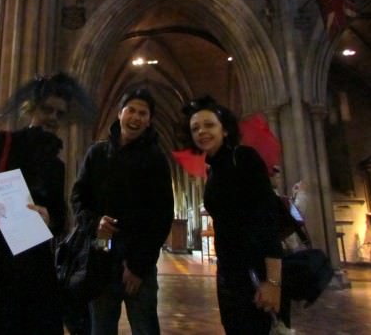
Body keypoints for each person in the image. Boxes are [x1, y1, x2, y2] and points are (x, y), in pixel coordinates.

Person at [0, 73, 95, 335]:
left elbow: (60, 218)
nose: (53, 118)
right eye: (47, 109)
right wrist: (4, 214)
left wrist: (49, 217)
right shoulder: (5, 143)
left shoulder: (57, 165)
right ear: (31, 108)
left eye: (59, 113)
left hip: (35, 267)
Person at [71, 88, 174, 335]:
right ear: (120, 113)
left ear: (149, 120)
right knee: (101, 327)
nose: (136, 117)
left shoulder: (155, 159)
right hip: (100, 260)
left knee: (144, 327)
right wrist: (94, 223)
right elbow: (78, 198)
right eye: (131, 110)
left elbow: (161, 216)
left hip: (138, 265)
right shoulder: (97, 154)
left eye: (143, 113)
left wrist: (138, 266)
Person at [181, 95, 283, 335]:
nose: (202, 132)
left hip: (253, 270)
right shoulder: (214, 169)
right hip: (228, 271)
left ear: (224, 129)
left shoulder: (244, 158)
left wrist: (273, 282)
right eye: (195, 128)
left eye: (209, 125)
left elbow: (267, 219)